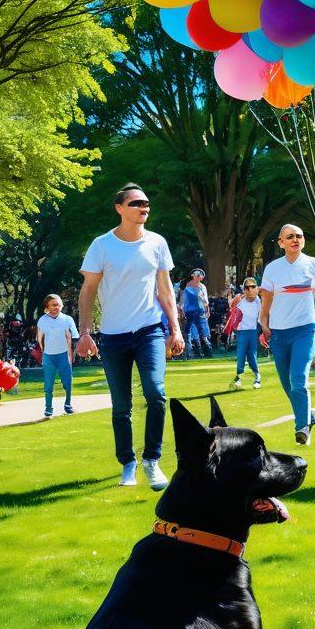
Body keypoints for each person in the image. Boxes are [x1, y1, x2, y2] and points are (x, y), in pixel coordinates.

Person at [77, 184, 184, 490]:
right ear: (120, 208)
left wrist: (175, 329)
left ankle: (152, 460)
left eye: (147, 204)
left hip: (150, 331)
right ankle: (128, 463)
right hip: (112, 336)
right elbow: (88, 291)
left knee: (156, 393)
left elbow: (165, 290)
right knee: (121, 405)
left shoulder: (157, 243)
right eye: (137, 203)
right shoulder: (102, 245)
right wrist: (85, 333)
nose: (144, 208)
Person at [259, 223, 315, 446]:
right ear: (281, 243)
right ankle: (309, 414)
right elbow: (266, 299)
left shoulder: (314, 264)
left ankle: (302, 427)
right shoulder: (272, 268)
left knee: (298, 379)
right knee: (287, 384)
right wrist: (263, 324)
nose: (296, 239)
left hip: (305, 329)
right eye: (290, 237)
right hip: (278, 333)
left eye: (300, 236)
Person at [37, 294, 79, 419]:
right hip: (49, 356)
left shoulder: (67, 319)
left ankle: (68, 404)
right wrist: (43, 352)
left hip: (64, 355)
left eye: (59, 304)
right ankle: (48, 408)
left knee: (67, 382)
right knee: (48, 384)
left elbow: (75, 336)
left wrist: (73, 349)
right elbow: (40, 339)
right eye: (53, 305)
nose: (57, 307)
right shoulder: (42, 320)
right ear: (47, 307)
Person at [230, 278, 262, 389]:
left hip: (253, 332)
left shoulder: (258, 300)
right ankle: (238, 377)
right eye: (247, 287)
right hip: (241, 332)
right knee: (240, 355)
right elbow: (231, 307)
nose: (250, 289)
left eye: (253, 287)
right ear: (244, 289)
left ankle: (257, 377)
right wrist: (239, 297)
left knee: (252, 355)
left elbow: (265, 291)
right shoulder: (239, 301)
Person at [180, 269, 211, 358]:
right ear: (193, 276)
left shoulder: (202, 287)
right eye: (196, 275)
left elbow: (206, 301)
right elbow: (183, 300)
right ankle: (190, 353)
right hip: (189, 313)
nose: (198, 277)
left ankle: (206, 353)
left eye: (200, 275)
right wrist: (180, 308)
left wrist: (207, 310)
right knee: (189, 333)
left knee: (202, 334)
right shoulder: (187, 287)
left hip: (199, 313)